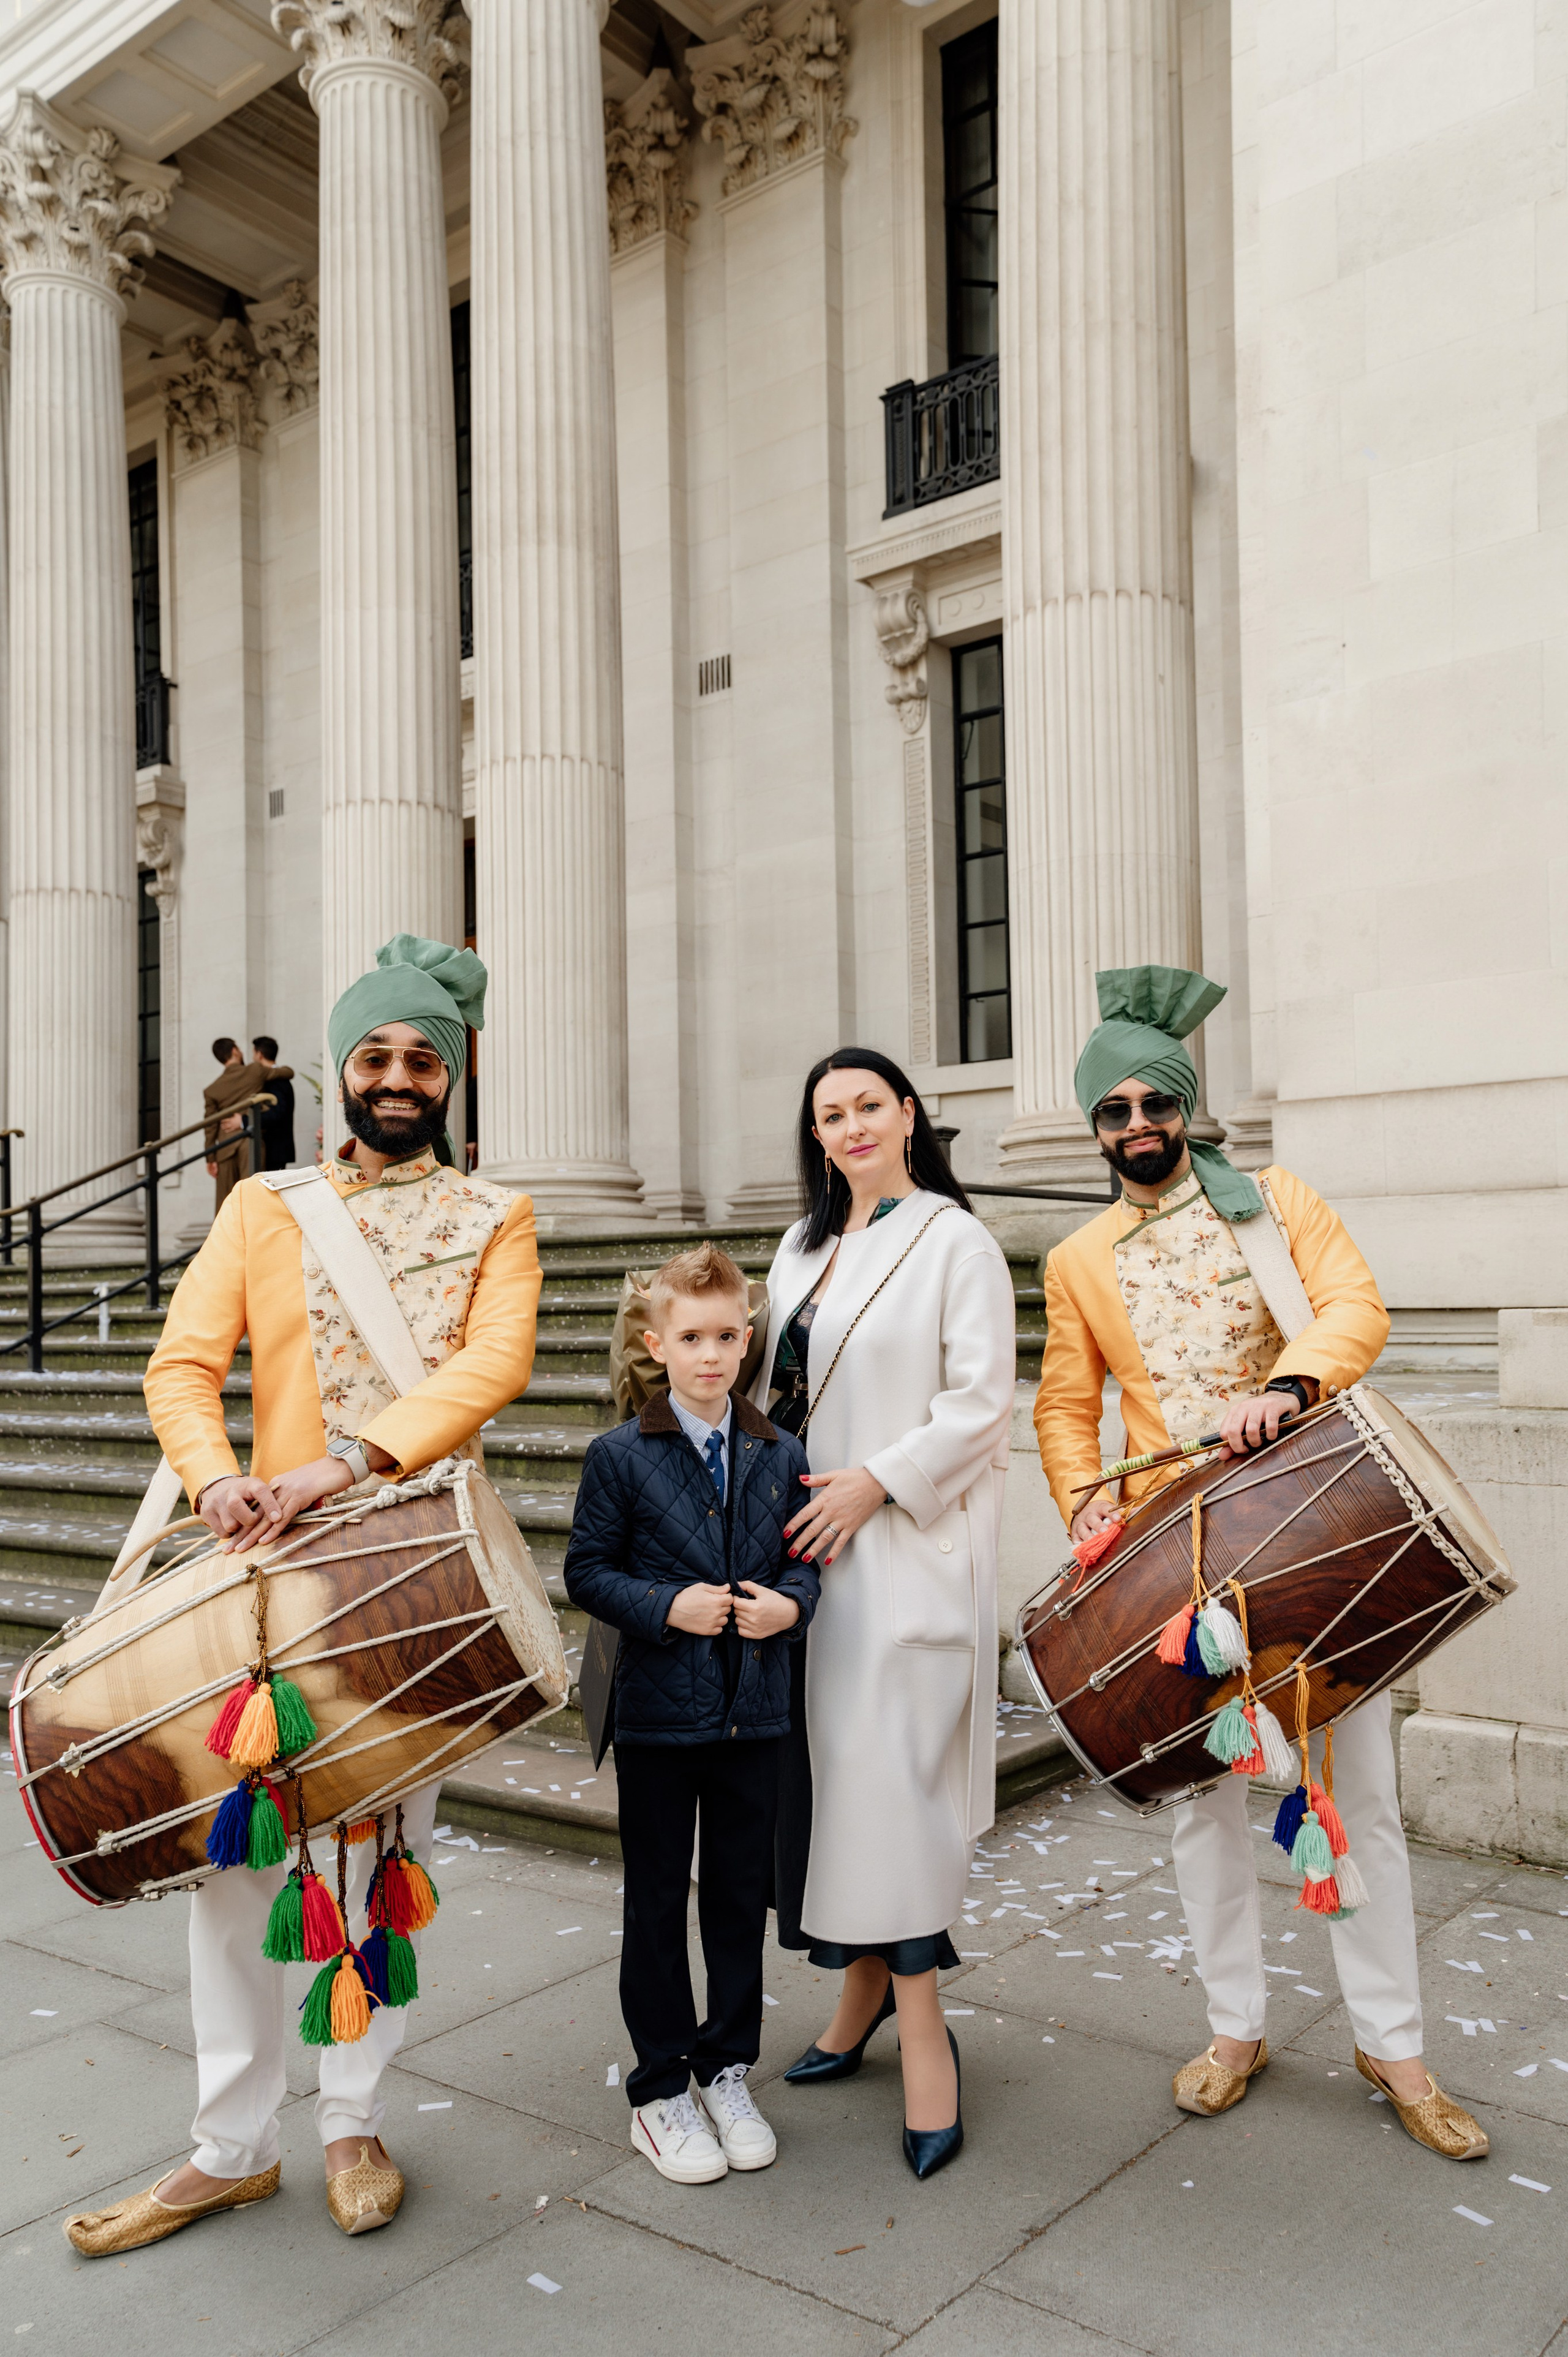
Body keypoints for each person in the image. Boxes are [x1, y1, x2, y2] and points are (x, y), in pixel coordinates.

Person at [64, 935, 542, 2257]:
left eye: (421, 1058)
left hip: (415, 1575)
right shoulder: (262, 1206)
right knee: (234, 1869)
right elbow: (180, 1363)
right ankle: (230, 2146)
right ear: (340, 1069)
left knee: (386, 1860)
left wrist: (345, 1463)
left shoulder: (497, 1216)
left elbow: (495, 1365)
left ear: (455, 1073)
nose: (397, 1078)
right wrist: (216, 1480)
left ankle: (353, 2119)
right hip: (259, 1578)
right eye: (376, 1055)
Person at [1033, 965, 1488, 2163]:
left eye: (1153, 1105)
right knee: (1200, 1814)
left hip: (1308, 1537)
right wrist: (1082, 1516)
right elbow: (1063, 1407)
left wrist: (1285, 1385)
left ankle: (1391, 2044)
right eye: (1113, 1110)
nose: (1136, 1126)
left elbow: (1353, 1306)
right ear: (1093, 1127)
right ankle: (1233, 2028)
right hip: (1167, 1570)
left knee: (1362, 1802)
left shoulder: (1275, 1197)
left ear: (1186, 1108)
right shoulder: (1076, 1257)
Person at [752, 1048, 1016, 2181]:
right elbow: (771, 1389)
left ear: (909, 1113)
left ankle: (924, 2044)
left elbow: (981, 1404)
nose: (852, 1125)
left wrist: (877, 1481)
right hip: (804, 1557)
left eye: (869, 1104)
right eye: (831, 1113)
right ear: (816, 1135)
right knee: (834, 1791)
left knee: (895, 1794)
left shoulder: (954, 1238)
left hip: (905, 1546)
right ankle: (858, 1997)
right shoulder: (801, 1244)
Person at [564, 1243, 818, 2184]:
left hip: (757, 1717)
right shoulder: (620, 1457)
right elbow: (587, 1572)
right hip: (660, 1722)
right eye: (690, 1338)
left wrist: (793, 1605)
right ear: (655, 1341)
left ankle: (726, 2066)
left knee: (739, 1902)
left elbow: (805, 1561)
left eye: (724, 1337)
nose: (709, 1355)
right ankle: (662, 2087)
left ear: (747, 1339)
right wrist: (667, 1607)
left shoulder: (782, 1451)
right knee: (659, 1900)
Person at [203, 1036, 268, 1210]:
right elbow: (286, 1073)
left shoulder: (212, 1090)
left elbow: (210, 1126)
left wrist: (210, 1157)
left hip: (225, 1148)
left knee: (226, 1206)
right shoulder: (255, 1071)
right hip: (250, 1142)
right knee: (253, 1198)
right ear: (234, 1051)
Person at [251, 1035, 296, 1169]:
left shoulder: (276, 1080)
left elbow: (277, 1114)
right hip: (277, 1150)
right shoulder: (281, 1077)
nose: (253, 1058)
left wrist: (245, 1122)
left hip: (275, 1150)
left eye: (254, 1054)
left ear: (259, 1055)